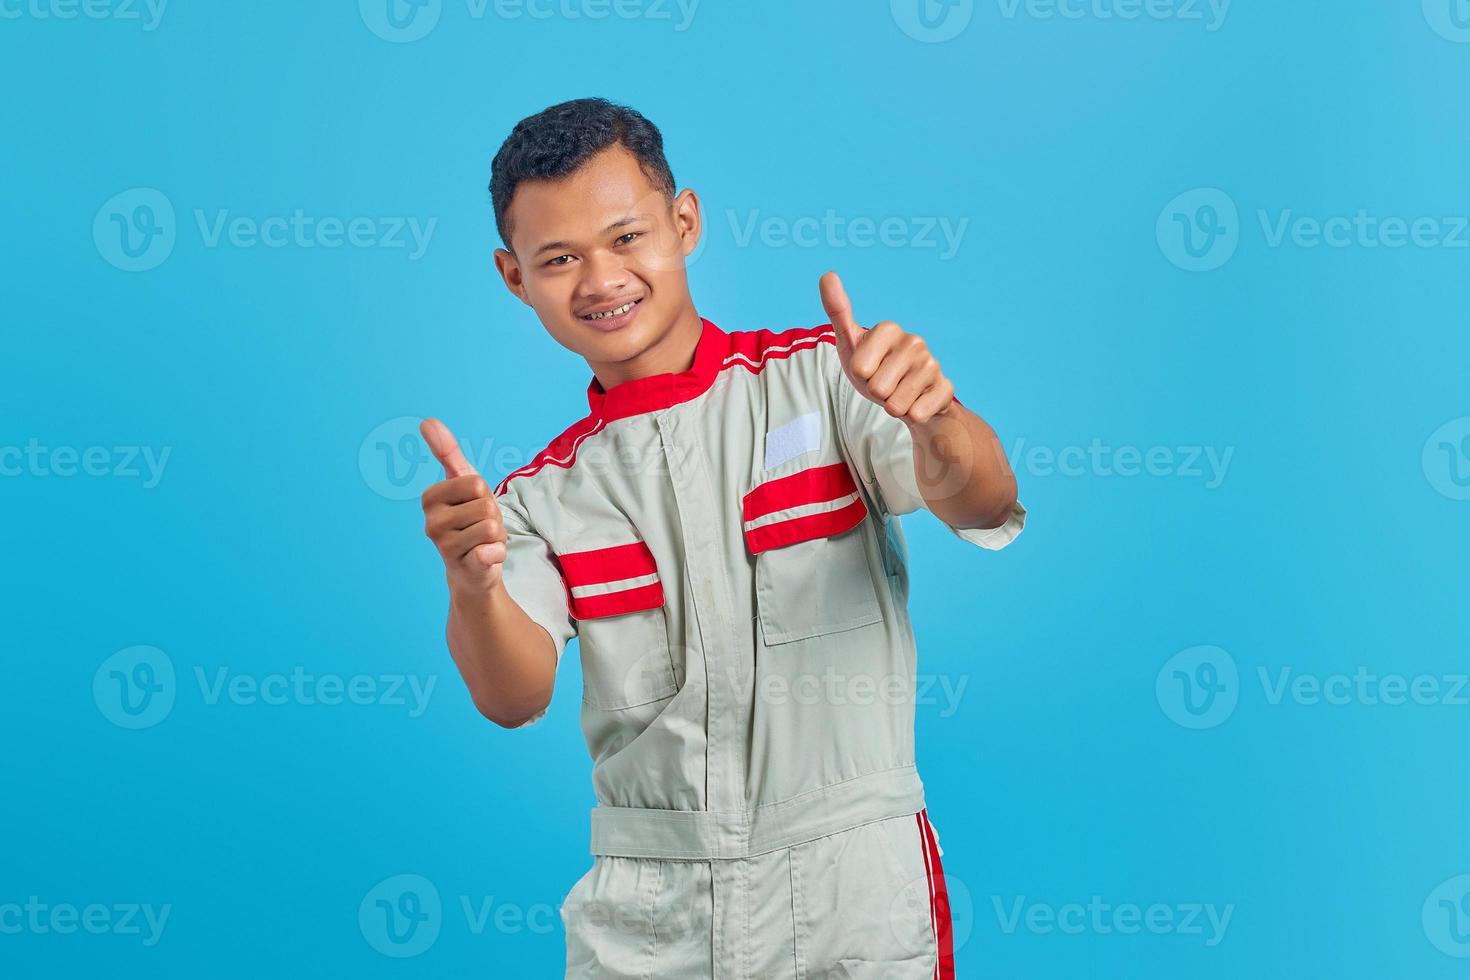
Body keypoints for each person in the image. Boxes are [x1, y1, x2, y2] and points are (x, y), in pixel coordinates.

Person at [419, 97, 1025, 979]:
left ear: (684, 221)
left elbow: (981, 501)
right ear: (516, 278)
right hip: (649, 911)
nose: (600, 279)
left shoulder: (827, 381)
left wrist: (938, 425)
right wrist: (472, 584)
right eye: (559, 259)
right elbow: (512, 696)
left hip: (853, 886)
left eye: (626, 237)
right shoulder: (538, 499)